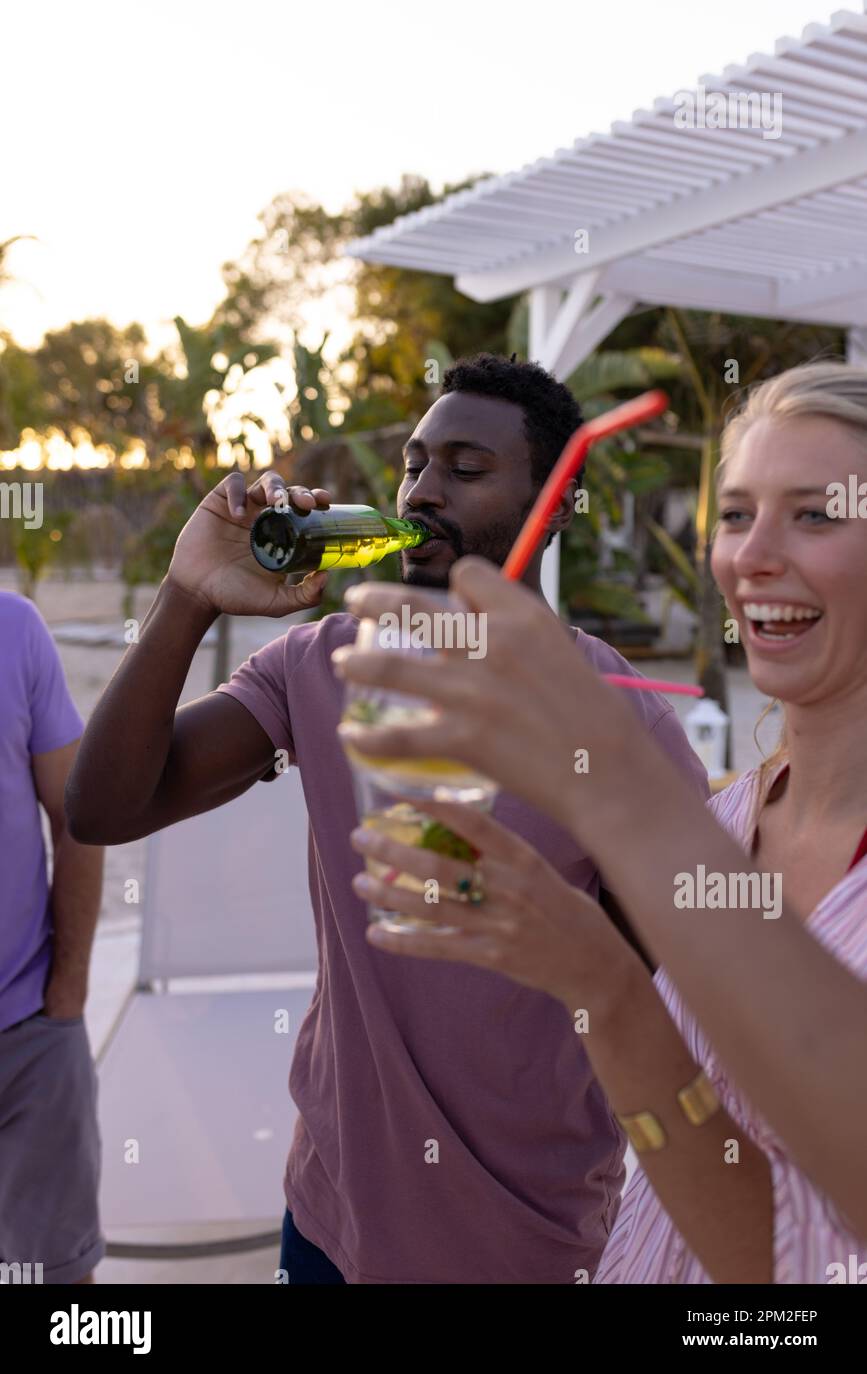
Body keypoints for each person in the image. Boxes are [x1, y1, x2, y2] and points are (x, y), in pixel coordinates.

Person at [66, 353, 707, 1285]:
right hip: (329, 1219)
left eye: (467, 469)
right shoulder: (322, 663)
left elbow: (672, 987)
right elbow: (106, 806)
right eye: (414, 464)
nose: (425, 491)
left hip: (523, 1235)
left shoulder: (619, 716)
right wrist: (189, 595)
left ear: (556, 501)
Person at [335, 362, 867, 1283]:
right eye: (736, 514)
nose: (750, 556)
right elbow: (722, 1178)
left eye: (815, 513)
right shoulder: (728, 818)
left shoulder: (672, 820)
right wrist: (583, 966)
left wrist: (615, 806)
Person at [0, 590, 105, 1285]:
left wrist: (65, 994)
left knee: (57, 1291)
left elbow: (77, 813)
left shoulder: (14, 628)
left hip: (28, 1033)